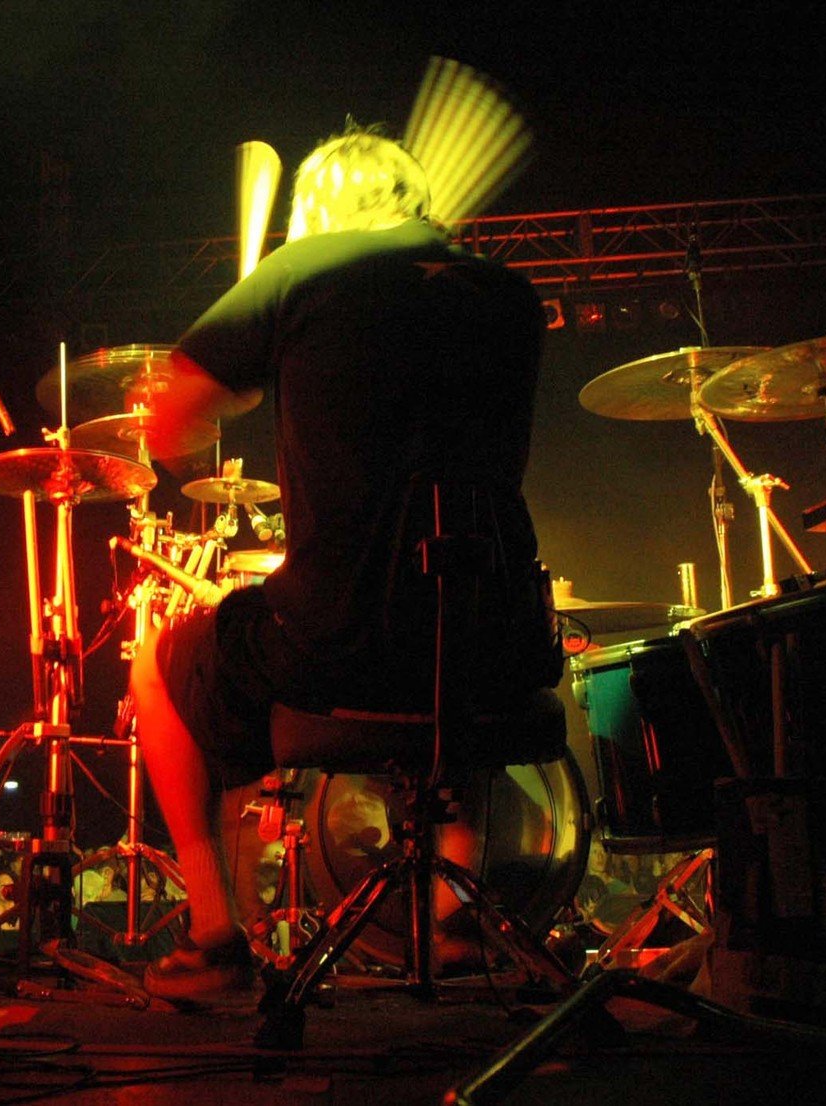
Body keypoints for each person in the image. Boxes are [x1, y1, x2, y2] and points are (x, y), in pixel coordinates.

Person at [130, 125, 558, 1002]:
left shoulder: (302, 270)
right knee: (451, 616)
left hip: (341, 639)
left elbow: (171, 426)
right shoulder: (510, 296)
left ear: (316, 211)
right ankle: (453, 917)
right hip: (503, 640)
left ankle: (214, 938)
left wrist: (249, 367)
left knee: (154, 660)